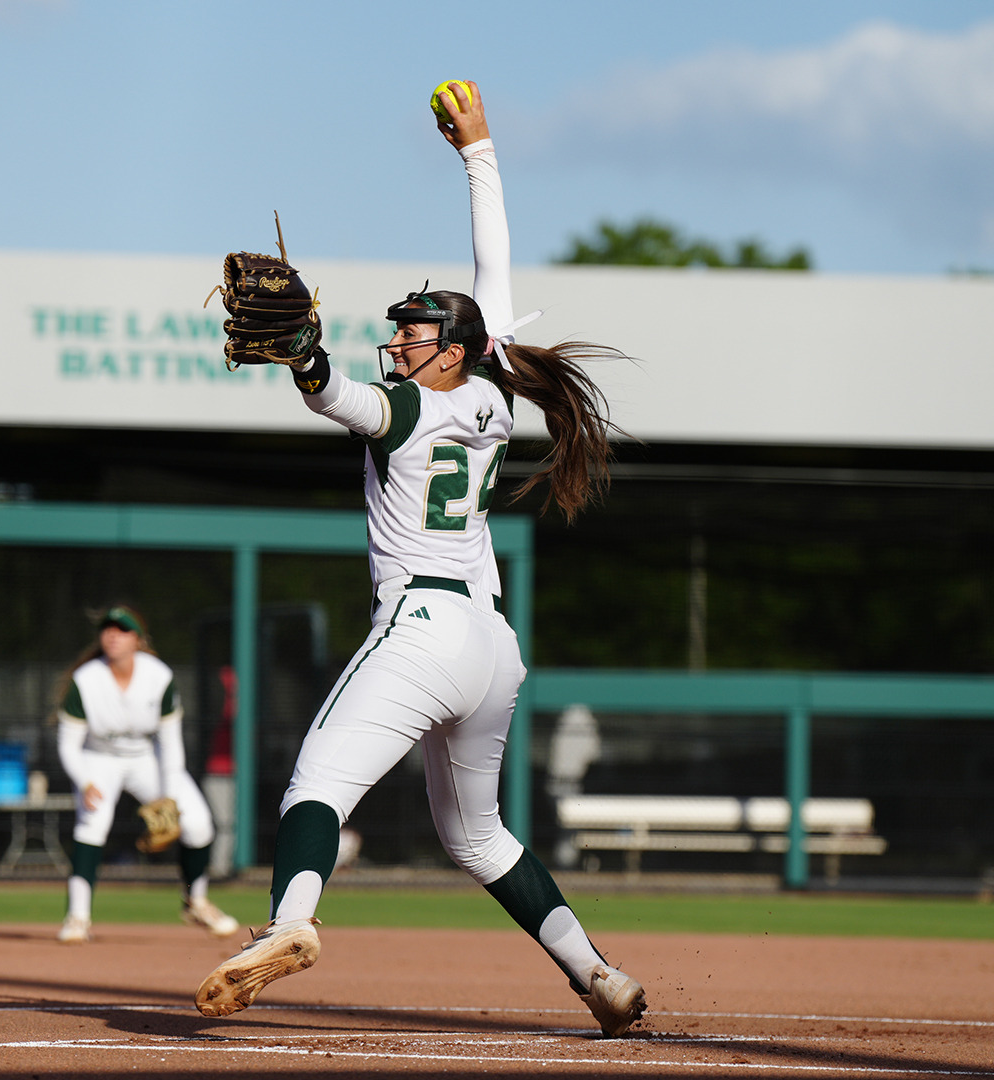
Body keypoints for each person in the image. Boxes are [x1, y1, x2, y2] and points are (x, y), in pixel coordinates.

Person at [195, 82, 646, 1038]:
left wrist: (307, 359)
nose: (402, 338)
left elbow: (334, 398)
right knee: (475, 835)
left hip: (423, 629)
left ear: (454, 352)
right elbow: (496, 264)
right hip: (491, 647)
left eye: (417, 331)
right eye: (401, 328)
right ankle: (599, 977)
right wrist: (479, 151)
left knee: (315, 787)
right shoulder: (493, 396)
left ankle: (288, 925)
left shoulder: (404, 407)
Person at [54, 604, 239, 943]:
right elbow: (68, 745)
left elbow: (170, 743)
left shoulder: (158, 677)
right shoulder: (86, 680)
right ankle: (77, 917)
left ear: (138, 640)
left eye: (122, 630)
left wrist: (169, 795)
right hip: (99, 758)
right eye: (107, 629)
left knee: (197, 823)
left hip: (145, 757)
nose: (112, 635)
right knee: (92, 823)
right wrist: (85, 781)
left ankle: (196, 901)